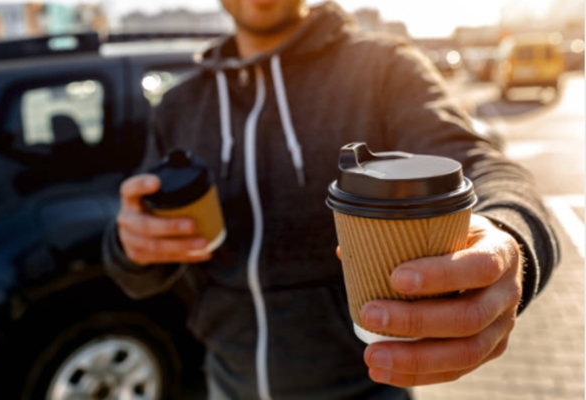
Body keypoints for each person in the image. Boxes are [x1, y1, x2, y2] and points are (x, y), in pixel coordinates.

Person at [103, 1, 560, 399]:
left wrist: (508, 236)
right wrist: (128, 247)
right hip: (225, 382)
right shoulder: (180, 105)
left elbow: (484, 165)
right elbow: (143, 267)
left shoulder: (381, 68)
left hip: (366, 384)